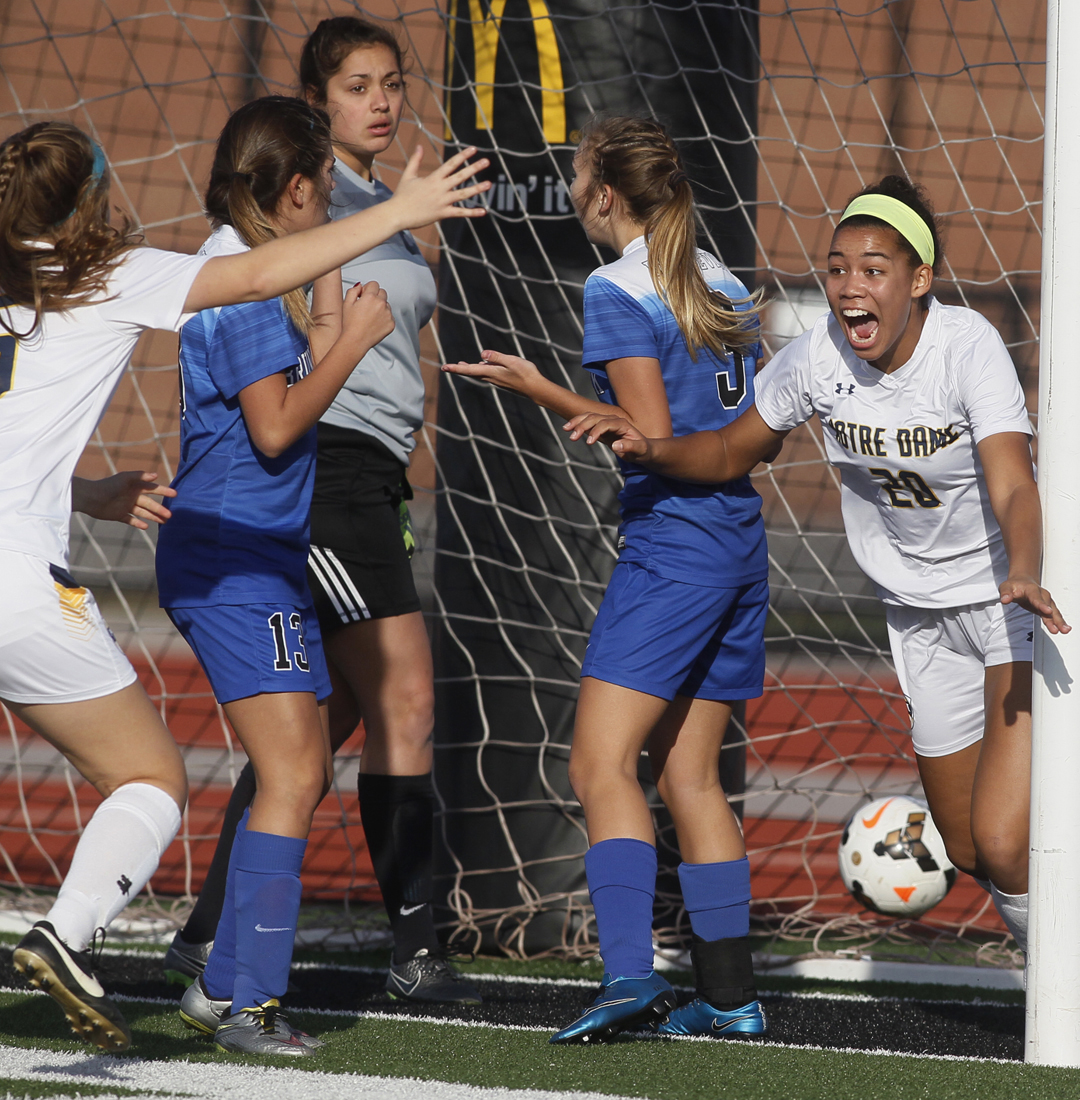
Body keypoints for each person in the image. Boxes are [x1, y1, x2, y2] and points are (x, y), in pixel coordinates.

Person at [0, 117, 488, 1054]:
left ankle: (223, 981)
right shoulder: (135, 275)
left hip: (247, 552)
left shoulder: (23, 285)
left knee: (299, 758)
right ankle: (178, 975)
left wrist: (95, 492)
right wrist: (404, 209)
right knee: (184, 775)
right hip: (217, 559)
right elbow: (265, 365)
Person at [567, 174, 1068, 957]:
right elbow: (735, 447)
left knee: (1007, 844)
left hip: (1005, 603)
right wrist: (652, 446)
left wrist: (1026, 568)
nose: (849, 287)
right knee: (968, 848)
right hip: (919, 621)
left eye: (873, 269)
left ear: (920, 279)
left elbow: (1012, 480)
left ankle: (1059, 992)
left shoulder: (967, 345)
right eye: (837, 269)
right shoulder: (817, 357)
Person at [164, 15, 481, 1007]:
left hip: (372, 476)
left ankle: (210, 939)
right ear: (313, 104)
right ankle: (413, 950)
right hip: (322, 476)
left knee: (319, 724)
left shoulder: (377, 202)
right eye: (357, 85)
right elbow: (279, 397)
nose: (382, 100)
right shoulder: (305, 213)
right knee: (403, 700)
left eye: (393, 81)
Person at [443, 115, 770, 1043]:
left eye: (580, 178)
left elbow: (651, 436)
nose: (577, 194)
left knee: (597, 763)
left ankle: (628, 976)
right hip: (741, 536)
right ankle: (732, 998)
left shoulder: (615, 286)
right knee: (691, 777)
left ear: (605, 196)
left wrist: (540, 388)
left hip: (674, 544)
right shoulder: (724, 278)